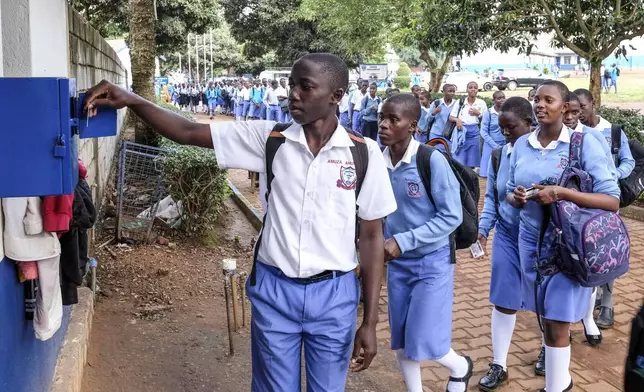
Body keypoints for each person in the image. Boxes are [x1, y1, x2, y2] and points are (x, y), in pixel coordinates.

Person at [84, 53, 397, 392]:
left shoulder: (363, 154)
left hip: (334, 296)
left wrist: (369, 321)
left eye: (305, 87)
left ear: (336, 96)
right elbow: (188, 131)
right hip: (275, 291)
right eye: (292, 85)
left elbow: (371, 236)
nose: (292, 94)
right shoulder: (270, 139)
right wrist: (130, 99)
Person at [506, 80, 619, 392]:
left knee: (557, 321)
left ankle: (556, 386)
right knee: (544, 316)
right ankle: (563, 382)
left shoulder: (585, 144)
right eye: (536, 100)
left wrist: (561, 193)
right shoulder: (522, 145)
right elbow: (508, 192)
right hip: (530, 242)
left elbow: (611, 200)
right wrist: (516, 196)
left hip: (569, 247)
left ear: (566, 107)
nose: (540, 105)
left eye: (548, 100)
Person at [379, 93, 473, 392]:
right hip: (397, 263)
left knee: (425, 337)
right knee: (403, 337)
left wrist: (403, 240)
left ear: (413, 126)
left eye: (394, 119)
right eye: (382, 117)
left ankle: (460, 367)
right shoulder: (377, 162)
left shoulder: (429, 160)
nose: (384, 124)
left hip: (431, 261)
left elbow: (451, 217)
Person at [477, 97, 536, 391]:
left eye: (511, 127)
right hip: (507, 236)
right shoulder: (499, 155)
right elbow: (492, 198)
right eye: (501, 128)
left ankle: (549, 350)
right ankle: (499, 364)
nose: (506, 133)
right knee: (503, 300)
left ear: (529, 123)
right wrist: (483, 229)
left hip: (540, 239)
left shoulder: (542, 155)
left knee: (544, 299)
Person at [575, 88, 634, 330]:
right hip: (581, 202)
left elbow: (628, 161)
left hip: (606, 200)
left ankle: (607, 303)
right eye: (572, 108)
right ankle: (585, 301)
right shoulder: (571, 132)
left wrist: (613, 175)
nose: (577, 112)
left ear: (592, 104)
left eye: (582, 107)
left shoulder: (612, 132)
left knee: (606, 250)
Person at [449, 81, 487, 168]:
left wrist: (478, 113)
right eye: (470, 87)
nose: (473, 89)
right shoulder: (460, 102)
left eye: (475, 87)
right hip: (461, 131)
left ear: (478, 90)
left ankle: (471, 177)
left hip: (474, 132)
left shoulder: (482, 103)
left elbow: (485, 120)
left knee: (473, 159)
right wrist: (457, 120)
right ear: (467, 89)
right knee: (459, 158)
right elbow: (451, 117)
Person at [479, 91, 506, 178]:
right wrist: (494, 145)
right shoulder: (488, 113)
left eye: (503, 97)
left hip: (504, 144)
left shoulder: (507, 112)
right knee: (487, 174)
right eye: (499, 98)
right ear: (493, 100)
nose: (502, 100)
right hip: (490, 144)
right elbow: (483, 132)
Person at [427, 84, 457, 149]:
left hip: (449, 135)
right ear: (443, 92)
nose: (452, 93)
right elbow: (427, 119)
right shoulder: (436, 103)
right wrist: (434, 113)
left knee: (448, 155)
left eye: (453, 91)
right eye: (450, 91)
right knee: (434, 154)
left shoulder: (456, 104)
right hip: (435, 134)